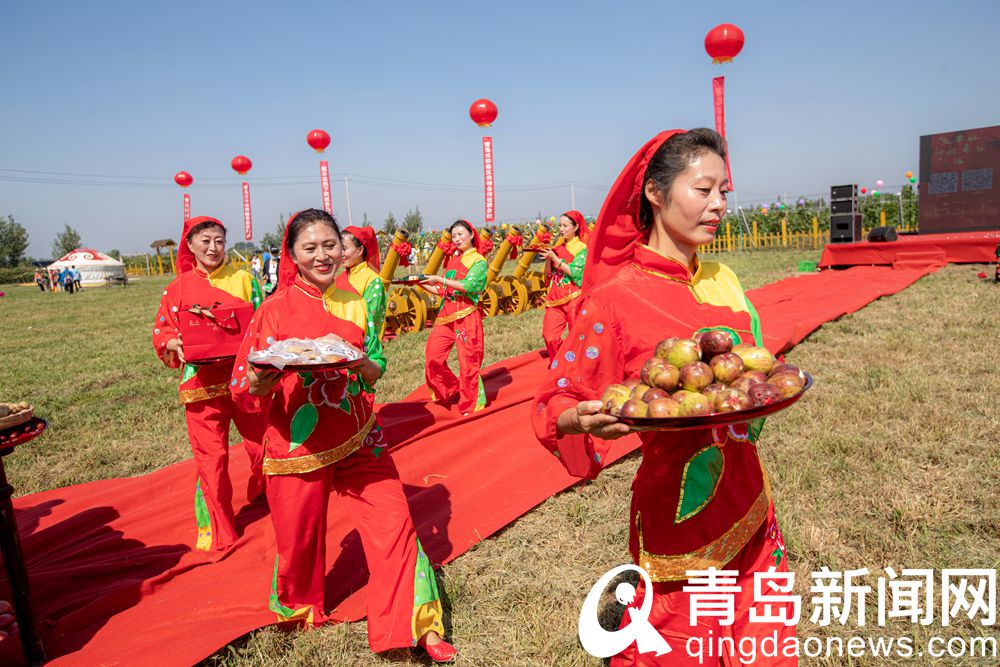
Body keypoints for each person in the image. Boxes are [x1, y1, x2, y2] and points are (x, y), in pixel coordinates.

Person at [532, 129, 795, 666]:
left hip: (751, 499)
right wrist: (579, 420)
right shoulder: (615, 300)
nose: (719, 204)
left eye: (725, 191)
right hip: (680, 519)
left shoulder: (723, 280)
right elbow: (551, 400)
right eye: (703, 189)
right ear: (655, 193)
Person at [233, 209, 456, 661]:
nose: (322, 255)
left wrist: (357, 363)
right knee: (298, 543)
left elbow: (374, 367)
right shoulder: (273, 310)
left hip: (359, 434)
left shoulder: (356, 299)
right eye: (310, 248)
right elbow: (246, 384)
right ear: (292, 255)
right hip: (298, 444)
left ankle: (418, 625)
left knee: (395, 525)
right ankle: (299, 609)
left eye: (330, 245)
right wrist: (267, 378)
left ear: (343, 247)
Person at [151, 216, 267, 551]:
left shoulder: (245, 279)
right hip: (201, 386)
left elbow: (263, 321)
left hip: (245, 380)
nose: (213, 248)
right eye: (205, 241)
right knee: (211, 458)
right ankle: (221, 527)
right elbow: (163, 331)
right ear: (189, 245)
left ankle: (267, 498)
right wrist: (175, 345)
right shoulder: (178, 288)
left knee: (262, 445)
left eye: (219, 240)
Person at [417, 219, 489, 415]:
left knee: (468, 362)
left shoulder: (478, 261)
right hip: (445, 317)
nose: (457, 239)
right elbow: (441, 289)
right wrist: (419, 283)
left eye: (460, 234)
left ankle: (472, 403)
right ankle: (450, 389)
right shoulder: (453, 261)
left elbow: (470, 286)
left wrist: (441, 279)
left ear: (472, 234)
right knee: (433, 357)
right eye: (454, 236)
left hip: (466, 316)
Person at [539, 210, 589, 360]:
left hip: (574, 298)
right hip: (555, 298)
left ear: (575, 227)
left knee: (577, 336)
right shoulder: (558, 249)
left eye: (565, 226)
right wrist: (548, 259)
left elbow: (576, 273)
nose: (561, 229)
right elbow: (547, 276)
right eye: (560, 225)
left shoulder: (582, 249)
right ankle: (559, 364)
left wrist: (555, 259)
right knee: (549, 336)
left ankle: (577, 366)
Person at [336, 225, 387, 339]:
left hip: (360, 344)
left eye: (344, 249)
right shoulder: (339, 279)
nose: (341, 254)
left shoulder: (372, 281)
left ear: (360, 250)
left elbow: (372, 321)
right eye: (339, 249)